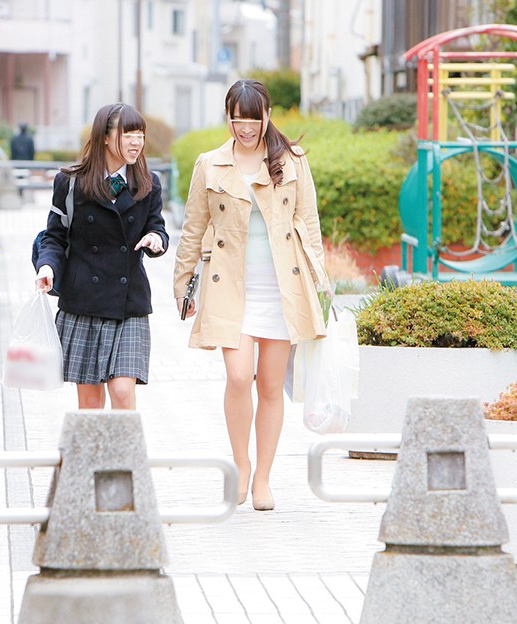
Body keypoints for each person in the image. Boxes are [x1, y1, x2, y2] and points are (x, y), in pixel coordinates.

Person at [173, 79, 332, 511]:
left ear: (267, 116)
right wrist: (183, 284)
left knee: (271, 386)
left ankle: (263, 478)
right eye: (237, 119)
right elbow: (192, 228)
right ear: (228, 118)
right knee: (240, 377)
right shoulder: (210, 164)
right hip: (230, 288)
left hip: (281, 288)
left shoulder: (291, 161)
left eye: (253, 119)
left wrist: (319, 282)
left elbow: (310, 222)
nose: (245, 128)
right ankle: (241, 465)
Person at [34, 103, 169, 410]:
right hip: (84, 301)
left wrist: (156, 239)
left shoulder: (149, 183)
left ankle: (123, 445)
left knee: (122, 391)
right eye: (128, 134)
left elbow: (158, 227)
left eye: (140, 134)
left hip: (128, 303)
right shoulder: (71, 183)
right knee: (90, 401)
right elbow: (55, 236)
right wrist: (47, 267)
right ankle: (93, 446)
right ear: (105, 137)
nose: (136, 142)